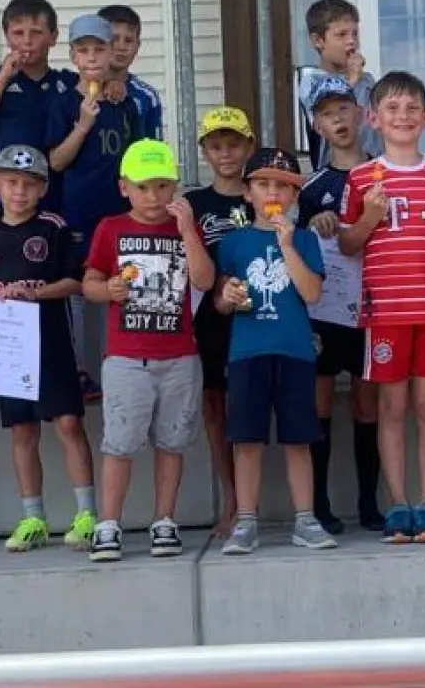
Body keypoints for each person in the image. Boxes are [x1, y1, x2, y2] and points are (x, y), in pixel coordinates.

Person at [339, 72, 425, 544]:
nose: (403, 117)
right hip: (386, 313)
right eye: (392, 109)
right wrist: (371, 214)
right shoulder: (360, 179)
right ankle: (398, 504)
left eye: (412, 108)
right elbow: (349, 244)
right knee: (391, 407)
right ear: (374, 118)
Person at [81, 139, 214, 562]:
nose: (153, 196)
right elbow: (89, 282)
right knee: (119, 442)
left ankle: (164, 520)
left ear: (175, 187)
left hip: (178, 354)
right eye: (143, 187)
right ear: (125, 188)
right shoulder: (111, 228)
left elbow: (205, 280)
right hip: (126, 356)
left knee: (171, 442)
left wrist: (188, 231)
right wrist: (107, 289)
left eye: (162, 186)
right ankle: (108, 524)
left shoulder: (184, 227)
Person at [0, 145, 96, 552]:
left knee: (68, 424)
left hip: (52, 342)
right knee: (22, 431)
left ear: (42, 189)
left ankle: (87, 514)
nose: (19, 192)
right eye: (11, 183)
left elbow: (76, 282)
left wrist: (37, 292)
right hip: (9, 351)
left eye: (28, 185)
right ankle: (33, 518)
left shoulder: (53, 227)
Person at [215, 148, 338, 555]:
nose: (274, 193)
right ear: (247, 193)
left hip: (296, 352)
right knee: (246, 440)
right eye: (264, 184)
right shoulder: (234, 243)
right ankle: (246, 521)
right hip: (247, 352)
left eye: (283, 187)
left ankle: (306, 518)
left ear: (294, 196)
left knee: (298, 439)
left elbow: (312, 293)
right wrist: (228, 295)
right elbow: (220, 302)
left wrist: (287, 246)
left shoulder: (304, 239)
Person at [49, 13, 154, 401]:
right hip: (79, 210)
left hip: (119, 211)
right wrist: (82, 124)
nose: (92, 56)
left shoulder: (124, 103)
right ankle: (78, 369)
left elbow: (137, 156)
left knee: (121, 283)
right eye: (84, 50)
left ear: (113, 53)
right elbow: (56, 161)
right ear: (74, 55)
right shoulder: (63, 102)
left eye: (100, 48)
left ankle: (121, 362)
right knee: (78, 288)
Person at [296, 78, 383, 533]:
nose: (338, 120)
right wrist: (314, 220)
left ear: (361, 113)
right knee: (321, 404)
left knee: (368, 406)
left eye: (344, 110)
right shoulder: (312, 187)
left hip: (373, 307)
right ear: (317, 125)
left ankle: (370, 504)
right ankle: (320, 505)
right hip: (325, 313)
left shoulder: (384, 172)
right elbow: (298, 242)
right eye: (327, 114)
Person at [182, 106, 256, 536]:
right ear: (205, 152)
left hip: (259, 316)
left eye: (233, 145)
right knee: (215, 411)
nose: (225, 154)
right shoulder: (193, 204)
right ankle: (231, 498)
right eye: (216, 146)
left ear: (248, 147)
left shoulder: (262, 192)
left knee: (251, 407)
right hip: (209, 318)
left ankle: (250, 502)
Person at [0, 0, 74, 220]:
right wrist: (4, 76)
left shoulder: (67, 82)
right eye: (18, 33)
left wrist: (111, 83)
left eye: (36, 32)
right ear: (6, 36)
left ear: (53, 37)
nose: (27, 41)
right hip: (0, 194)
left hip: (53, 192)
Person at [294, 0, 382, 168]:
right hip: (337, 174)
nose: (352, 41)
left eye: (354, 33)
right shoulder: (311, 81)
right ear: (317, 41)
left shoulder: (367, 80)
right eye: (341, 35)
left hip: (376, 170)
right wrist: (352, 79)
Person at [98, 4, 166, 138]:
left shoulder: (147, 96)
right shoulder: (81, 89)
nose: (121, 46)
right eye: (114, 39)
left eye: (128, 40)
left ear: (137, 46)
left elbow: (154, 148)